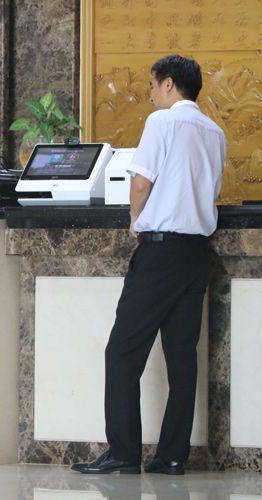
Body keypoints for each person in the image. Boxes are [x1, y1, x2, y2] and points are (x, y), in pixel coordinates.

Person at [72, 55, 227, 475]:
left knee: (122, 352)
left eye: (154, 86)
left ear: (170, 85)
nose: (152, 94)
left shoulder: (162, 123)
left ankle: (124, 452)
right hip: (197, 255)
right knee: (181, 358)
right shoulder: (215, 132)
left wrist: (134, 219)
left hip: (160, 253)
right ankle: (172, 456)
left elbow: (141, 182)